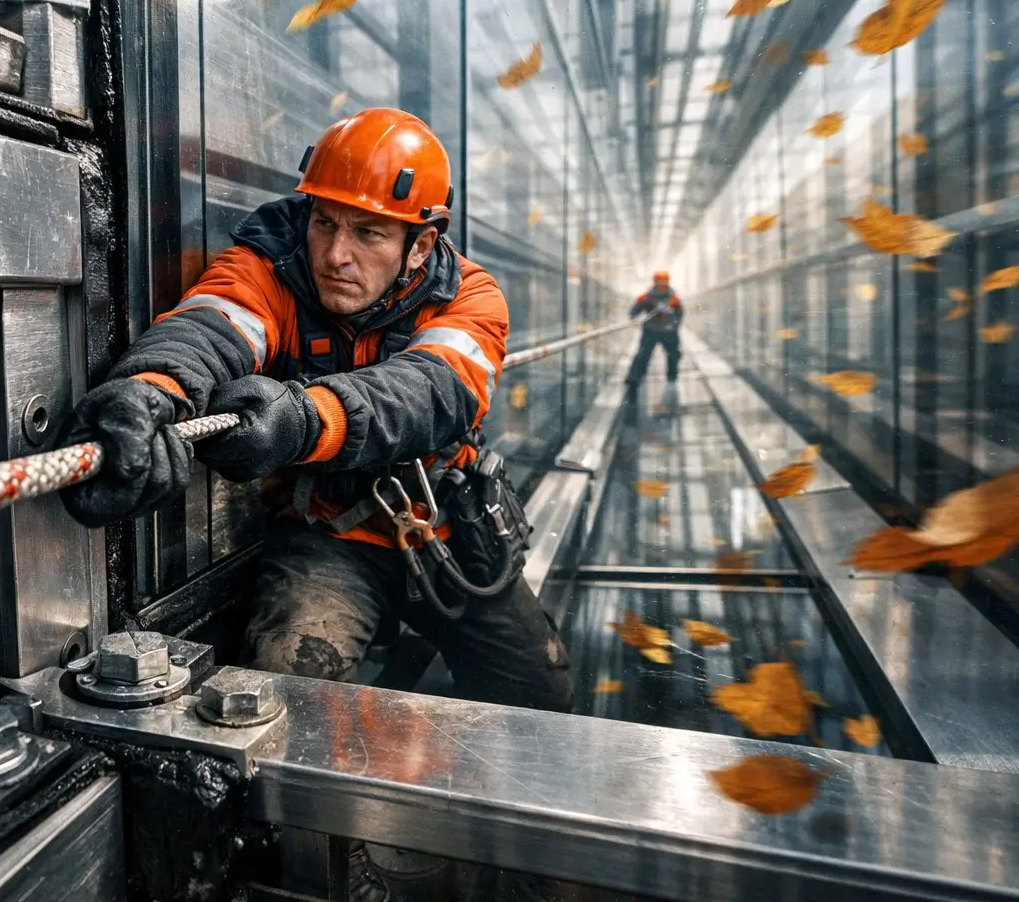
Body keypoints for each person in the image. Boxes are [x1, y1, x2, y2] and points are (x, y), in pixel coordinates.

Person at [56, 107, 571, 714]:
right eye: (324, 222)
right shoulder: (270, 265)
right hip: (330, 536)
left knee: (541, 694)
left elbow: (432, 393)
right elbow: (215, 323)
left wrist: (304, 418)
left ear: (420, 245)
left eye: (368, 233)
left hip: (446, 528)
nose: (334, 254)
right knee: (290, 691)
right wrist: (149, 392)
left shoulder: (470, 296)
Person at [626, 270, 684, 384]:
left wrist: (675, 325)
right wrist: (636, 318)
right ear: (655, 282)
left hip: (669, 331)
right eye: (660, 282)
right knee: (642, 355)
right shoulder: (646, 297)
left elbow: (680, 313)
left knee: (674, 354)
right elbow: (634, 311)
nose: (662, 285)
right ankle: (634, 378)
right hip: (650, 331)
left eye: (664, 282)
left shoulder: (674, 298)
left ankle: (672, 376)